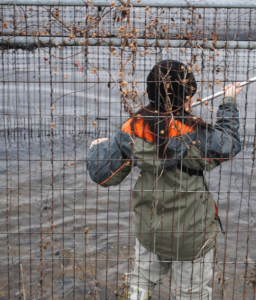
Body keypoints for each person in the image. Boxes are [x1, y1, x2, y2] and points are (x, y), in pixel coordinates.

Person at [87, 59, 242, 300]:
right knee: (191, 293)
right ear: (185, 98)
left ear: (151, 93)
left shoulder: (132, 128)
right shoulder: (197, 135)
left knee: (141, 280)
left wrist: (98, 148)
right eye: (190, 94)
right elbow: (229, 144)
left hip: (151, 232)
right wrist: (229, 102)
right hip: (192, 237)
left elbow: (103, 175)